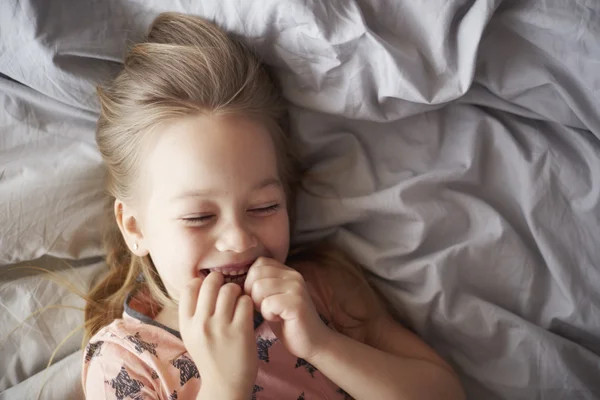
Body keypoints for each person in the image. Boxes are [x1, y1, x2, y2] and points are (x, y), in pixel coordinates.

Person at [82, 11, 464, 400]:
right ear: (134, 227)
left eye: (264, 207)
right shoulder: (125, 364)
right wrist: (223, 385)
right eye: (199, 216)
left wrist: (321, 345)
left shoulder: (319, 294)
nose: (237, 239)